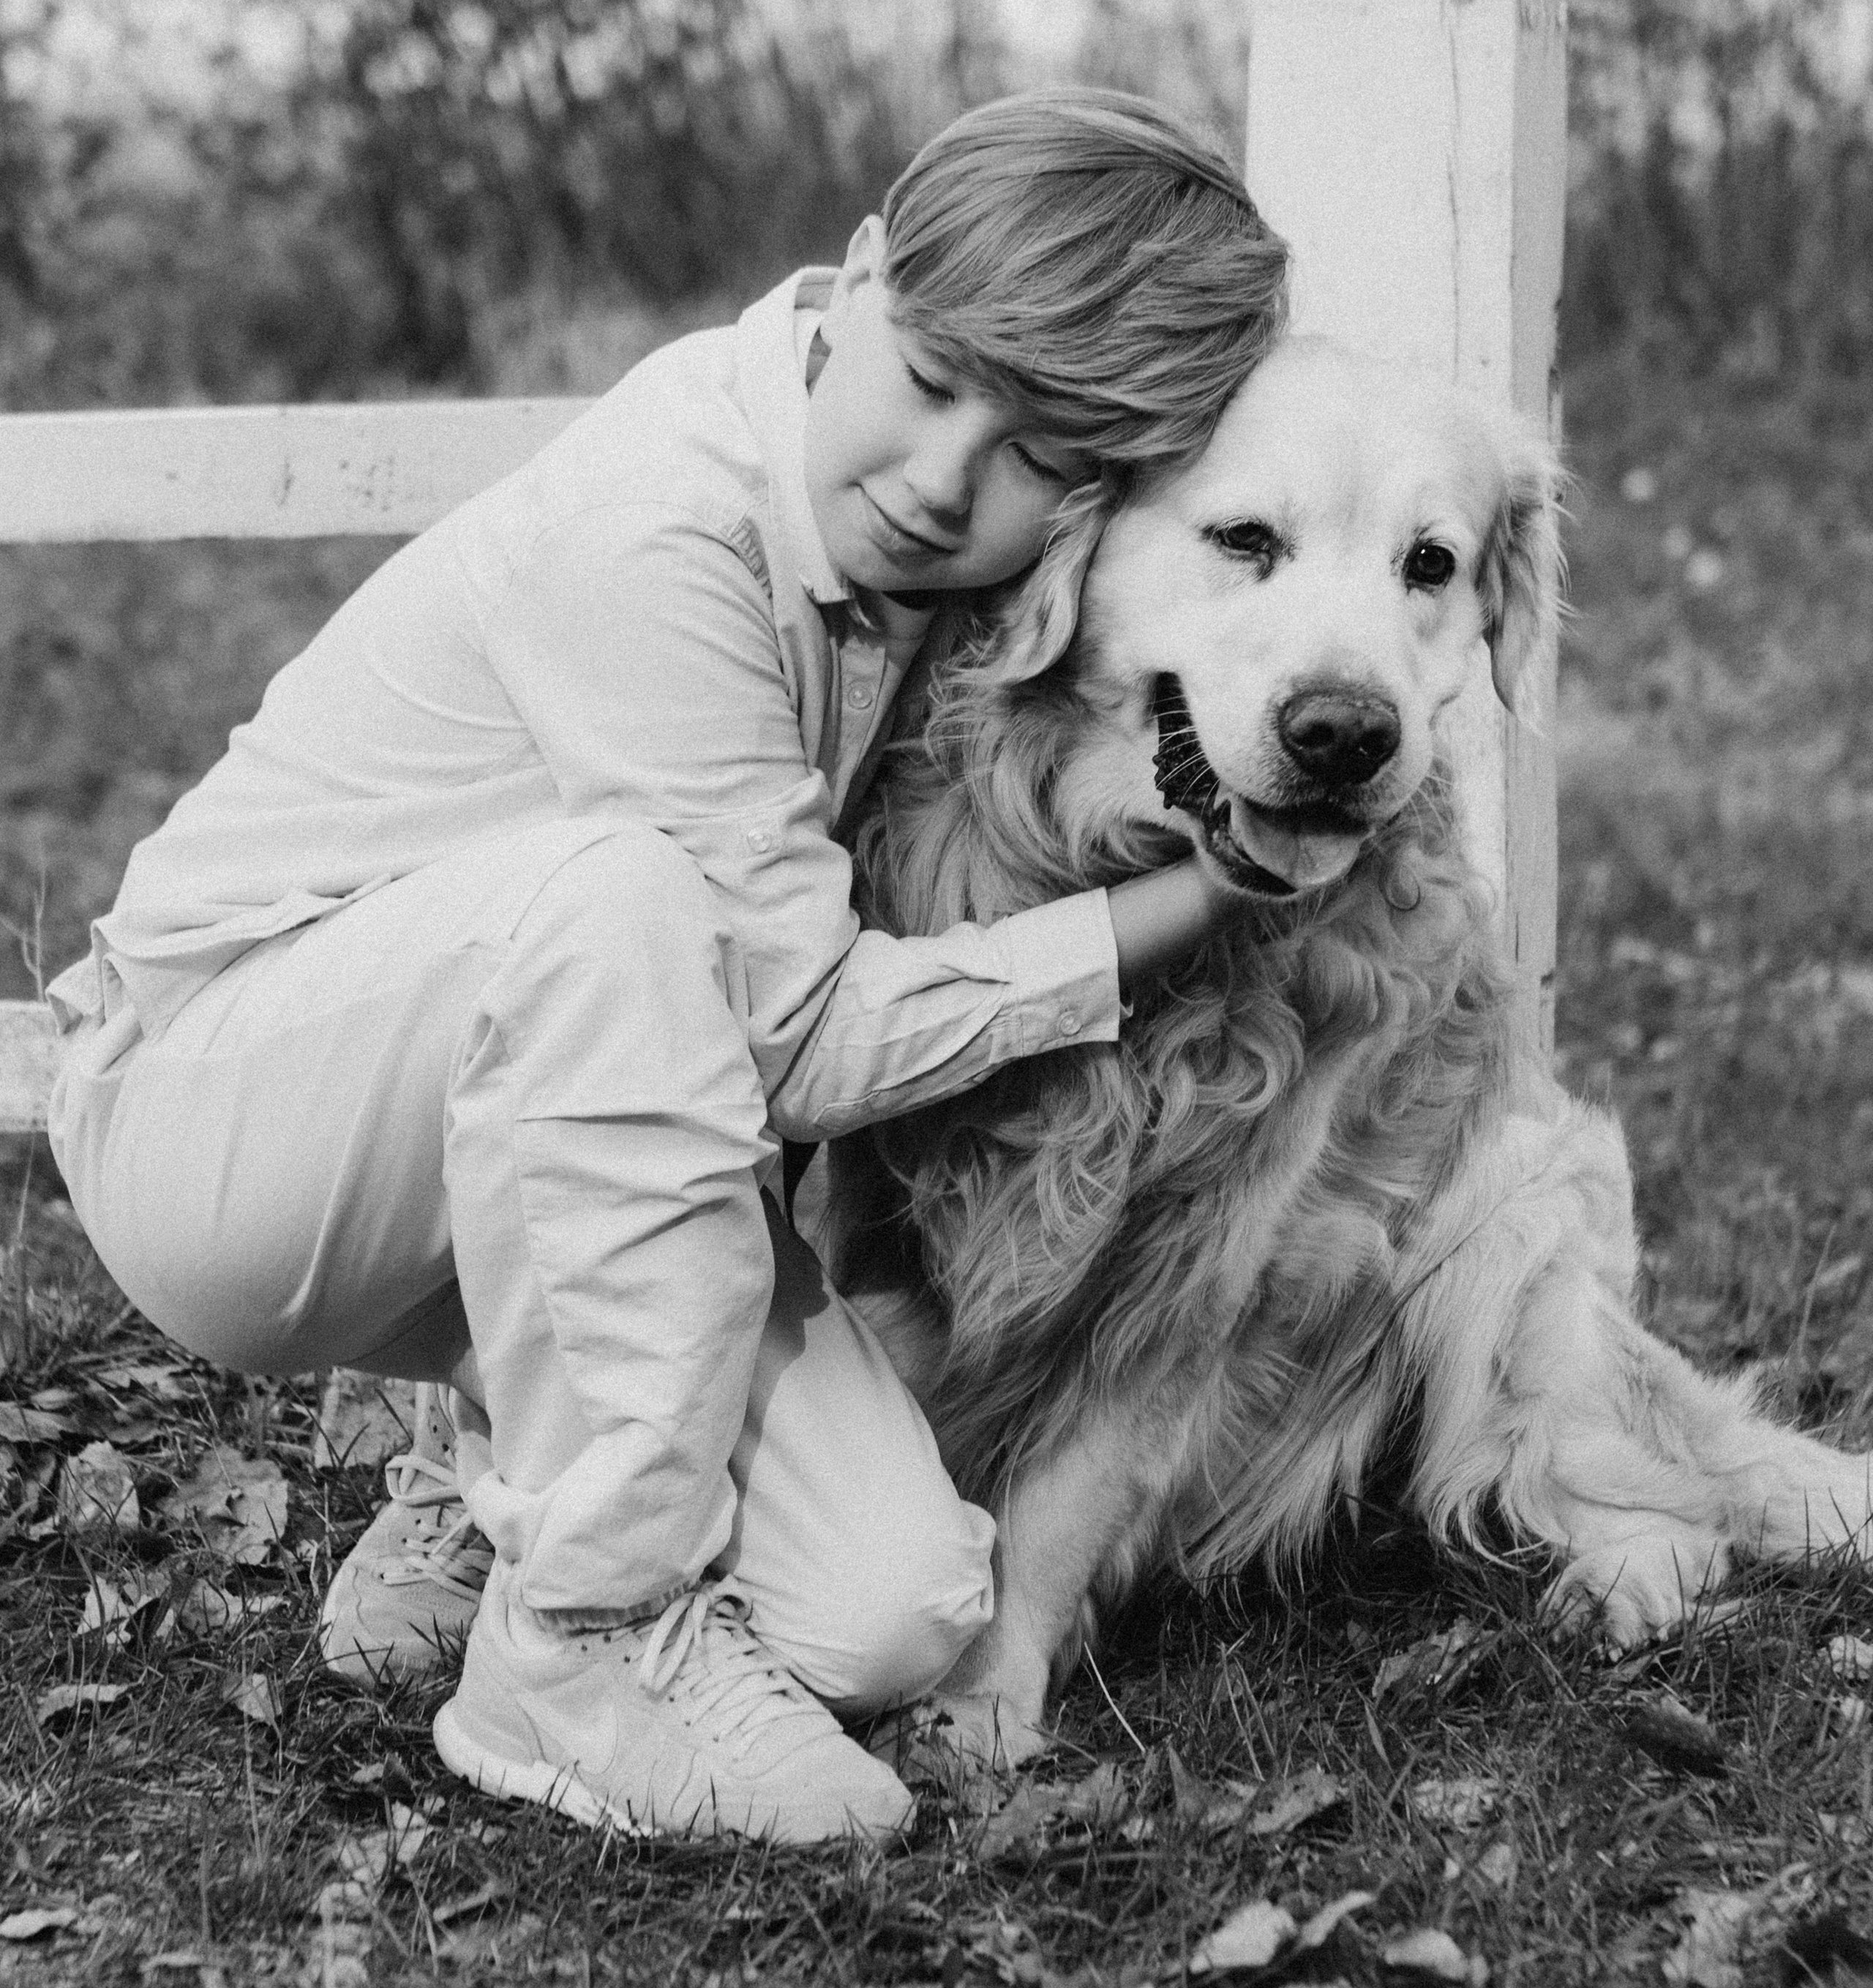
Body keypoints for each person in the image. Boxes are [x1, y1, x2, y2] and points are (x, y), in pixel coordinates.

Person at [46, 89, 1288, 1845]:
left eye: (1038, 456)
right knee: (624, 907)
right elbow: (791, 1042)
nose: (943, 486)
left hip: (510, 1134)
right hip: (224, 1132)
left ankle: (484, 1501)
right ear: (857, 276)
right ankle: (579, 1638)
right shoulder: (662, 525)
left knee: (894, 1606)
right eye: (931, 382)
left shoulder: (924, 564)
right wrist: (1184, 906)